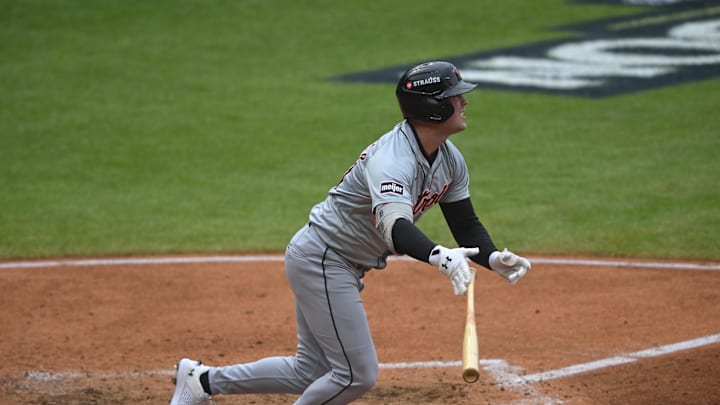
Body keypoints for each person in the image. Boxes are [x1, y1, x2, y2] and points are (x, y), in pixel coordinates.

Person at [169, 60, 531, 405]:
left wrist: (493, 257)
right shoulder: (392, 160)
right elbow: (396, 228)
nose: (464, 101)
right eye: (455, 96)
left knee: (308, 371)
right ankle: (201, 382)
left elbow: (465, 224)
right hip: (324, 258)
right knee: (357, 375)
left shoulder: (450, 159)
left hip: (332, 259)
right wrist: (438, 255)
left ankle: (200, 381)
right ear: (433, 107)